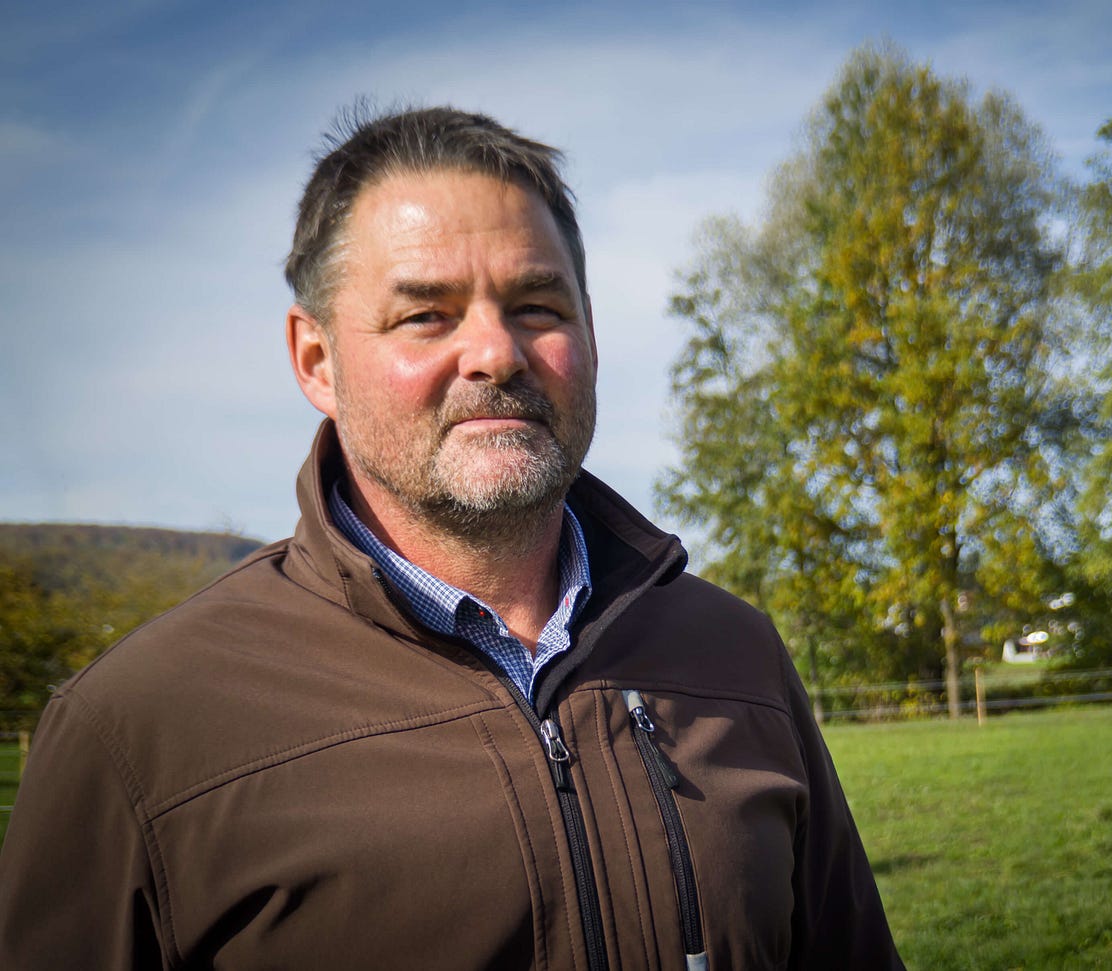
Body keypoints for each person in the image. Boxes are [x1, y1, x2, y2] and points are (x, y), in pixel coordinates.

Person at [0, 106, 902, 970]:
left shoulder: (734, 652)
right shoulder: (138, 727)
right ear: (317, 360)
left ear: (591, 332)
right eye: (426, 314)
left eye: (539, 306)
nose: (496, 352)